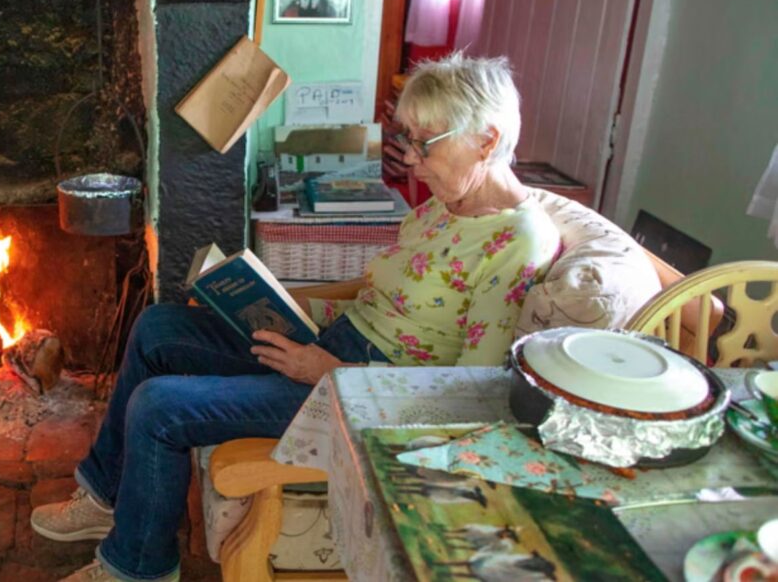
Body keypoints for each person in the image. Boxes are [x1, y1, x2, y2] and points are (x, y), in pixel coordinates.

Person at [33, 53, 561, 582]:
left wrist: (327, 371)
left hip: (363, 393)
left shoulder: (516, 240)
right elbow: (379, 299)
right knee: (157, 328)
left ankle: (140, 569)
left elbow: (471, 389)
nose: (413, 163)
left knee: (158, 407)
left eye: (426, 144)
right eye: (409, 141)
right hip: (332, 344)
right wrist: (287, 299)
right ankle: (106, 496)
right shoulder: (442, 209)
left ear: (487, 140)